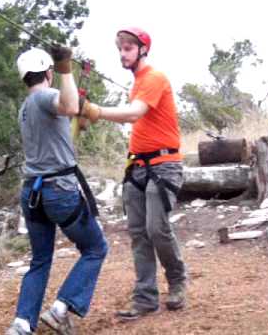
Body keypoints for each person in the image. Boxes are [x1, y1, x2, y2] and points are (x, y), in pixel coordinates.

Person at [79, 27, 187, 321]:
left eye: (128, 48)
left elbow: (134, 113)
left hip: (164, 166)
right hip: (137, 167)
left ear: (142, 50)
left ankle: (177, 282)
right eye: (120, 49)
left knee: (156, 228)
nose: (123, 53)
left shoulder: (153, 78)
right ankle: (145, 299)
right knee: (139, 234)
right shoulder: (137, 83)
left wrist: (94, 110)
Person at [6, 46, 108, 335]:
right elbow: (70, 106)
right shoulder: (46, 96)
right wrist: (67, 70)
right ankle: (61, 308)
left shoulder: (26, 108)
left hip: (33, 193)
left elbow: (64, 124)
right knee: (96, 248)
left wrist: (77, 125)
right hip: (58, 191)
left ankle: (22, 323)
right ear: (49, 73)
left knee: (40, 260)